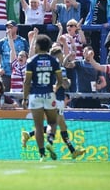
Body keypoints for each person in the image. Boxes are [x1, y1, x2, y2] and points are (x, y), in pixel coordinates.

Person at [21, 46, 86, 160]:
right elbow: (64, 84)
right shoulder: (59, 68)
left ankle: (73, 151)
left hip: (48, 98)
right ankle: (48, 142)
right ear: (57, 56)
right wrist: (67, 82)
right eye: (61, 55)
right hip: (57, 99)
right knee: (54, 125)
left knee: (62, 125)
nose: (62, 57)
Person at [22, 33, 63, 161]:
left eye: (35, 44)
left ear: (38, 46)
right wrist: (55, 87)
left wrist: (25, 98)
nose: (34, 46)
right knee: (52, 121)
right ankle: (50, 141)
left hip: (35, 96)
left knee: (38, 126)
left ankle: (42, 155)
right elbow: (60, 80)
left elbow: (27, 82)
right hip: (49, 94)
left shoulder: (31, 61)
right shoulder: (54, 61)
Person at [0, 20, 29, 91]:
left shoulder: (23, 41)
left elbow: (28, 56)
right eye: (7, 27)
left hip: (19, 74)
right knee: (3, 94)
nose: (9, 29)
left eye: (11, 27)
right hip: (5, 73)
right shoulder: (2, 42)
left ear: (16, 28)